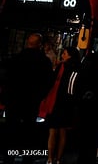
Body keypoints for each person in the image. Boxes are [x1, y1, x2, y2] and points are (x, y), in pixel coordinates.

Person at [3, 33, 54, 163]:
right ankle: (27, 157)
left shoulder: (16, 58)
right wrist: (39, 96)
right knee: (29, 130)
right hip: (32, 101)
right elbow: (48, 82)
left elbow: (6, 78)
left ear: (27, 43)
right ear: (39, 44)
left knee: (11, 129)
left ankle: (9, 156)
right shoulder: (44, 61)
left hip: (14, 100)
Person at [75, 33, 98, 164]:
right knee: (94, 134)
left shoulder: (88, 58)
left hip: (85, 102)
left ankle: (81, 158)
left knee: (84, 133)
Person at [45, 46, 81, 164]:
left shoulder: (62, 66)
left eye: (65, 53)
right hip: (68, 105)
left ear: (70, 55)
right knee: (63, 132)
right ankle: (58, 159)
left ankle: (50, 158)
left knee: (52, 131)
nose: (62, 55)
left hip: (57, 102)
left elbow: (51, 81)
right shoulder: (77, 68)